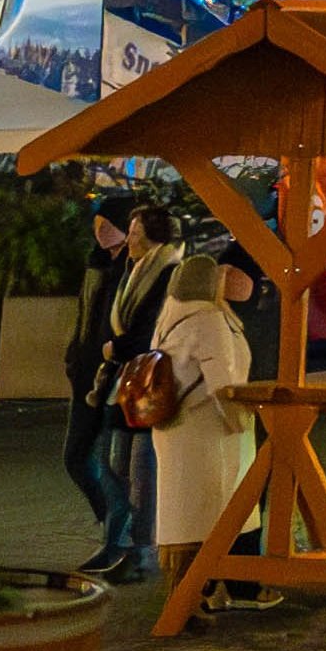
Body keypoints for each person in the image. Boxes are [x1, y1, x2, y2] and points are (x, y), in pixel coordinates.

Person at [147, 243, 266, 604]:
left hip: (175, 430)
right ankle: (194, 598)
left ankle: (193, 594)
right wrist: (241, 425)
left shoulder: (171, 316)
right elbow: (222, 383)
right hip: (208, 433)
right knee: (212, 515)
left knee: (183, 517)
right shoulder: (210, 320)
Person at [65, 199, 174, 578]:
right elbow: (94, 319)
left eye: (134, 232)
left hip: (137, 381)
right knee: (112, 465)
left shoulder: (161, 273)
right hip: (110, 378)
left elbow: (149, 328)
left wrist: (117, 348)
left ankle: (132, 549)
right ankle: (121, 541)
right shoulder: (124, 268)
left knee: (133, 473)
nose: (128, 238)